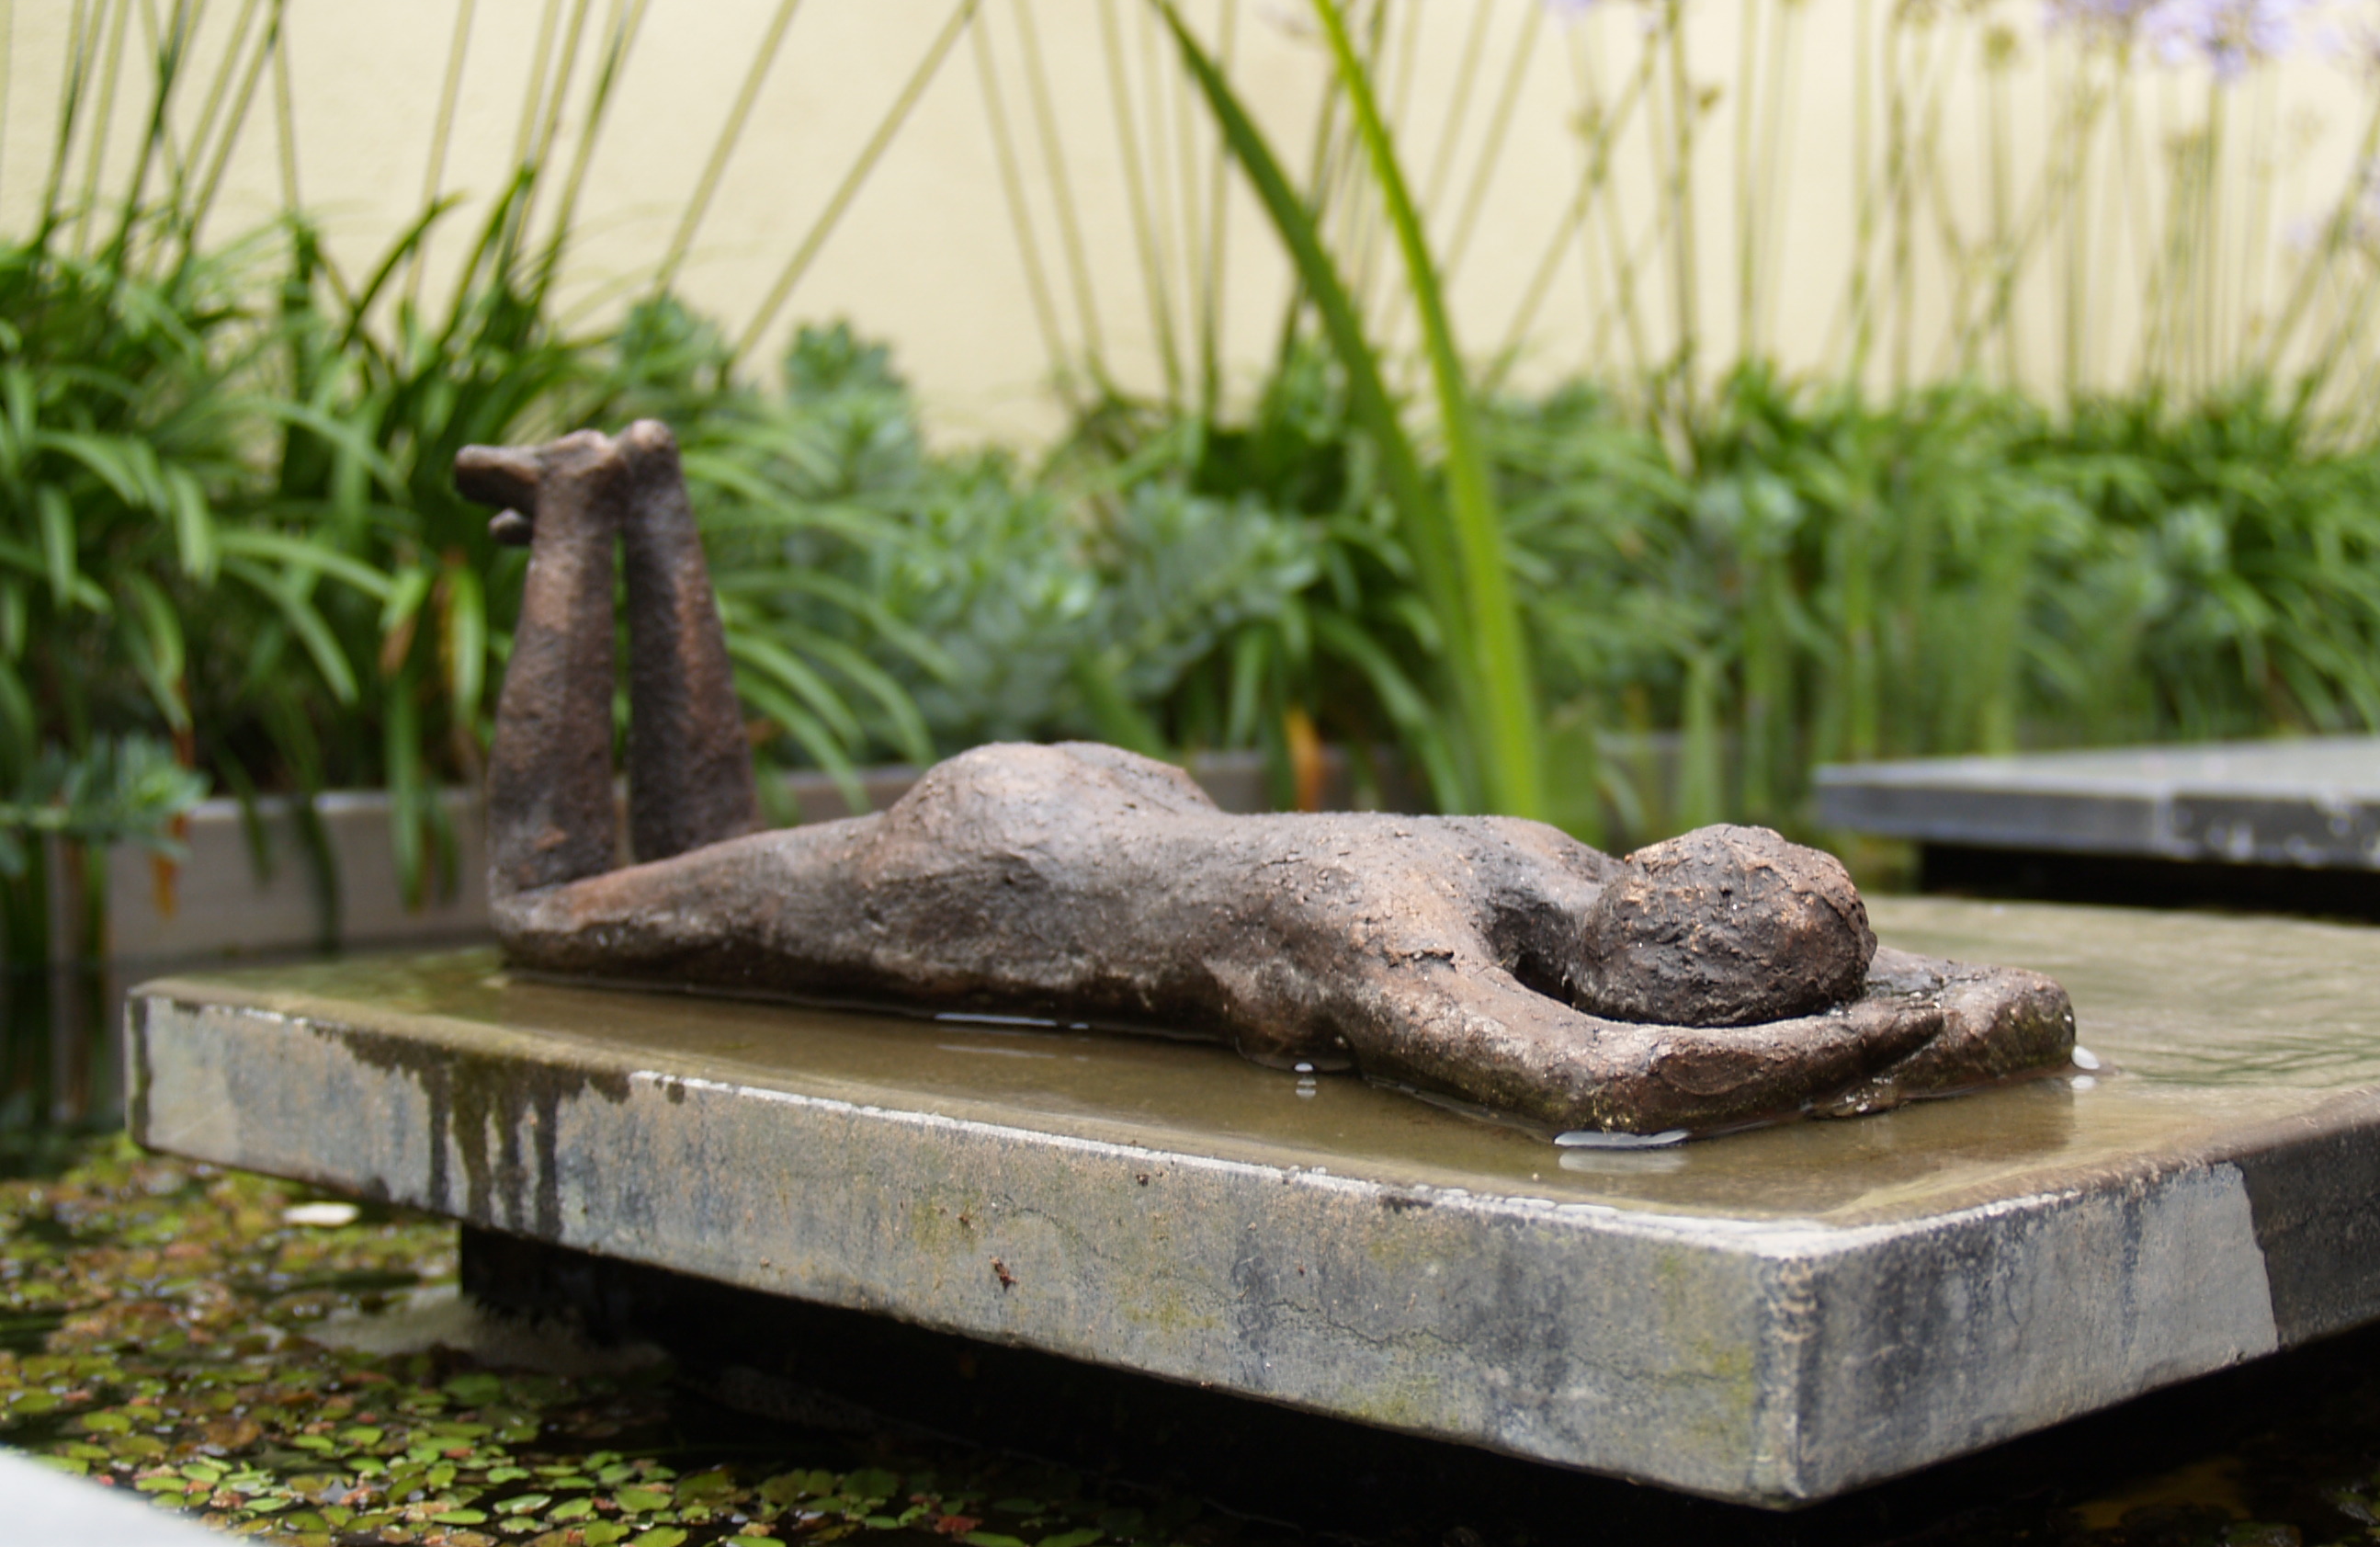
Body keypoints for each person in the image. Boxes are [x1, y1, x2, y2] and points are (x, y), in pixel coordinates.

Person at [458, 423, 2073, 1135]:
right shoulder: (1398, 941)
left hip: (1093, 812)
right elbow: (1597, 1088)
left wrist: (1902, 1006)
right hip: (971, 884)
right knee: (545, 912)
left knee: (702, 865)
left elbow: (2030, 998)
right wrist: (1897, 1036)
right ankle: (582, 519)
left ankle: (649, 496)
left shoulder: (1549, 866)